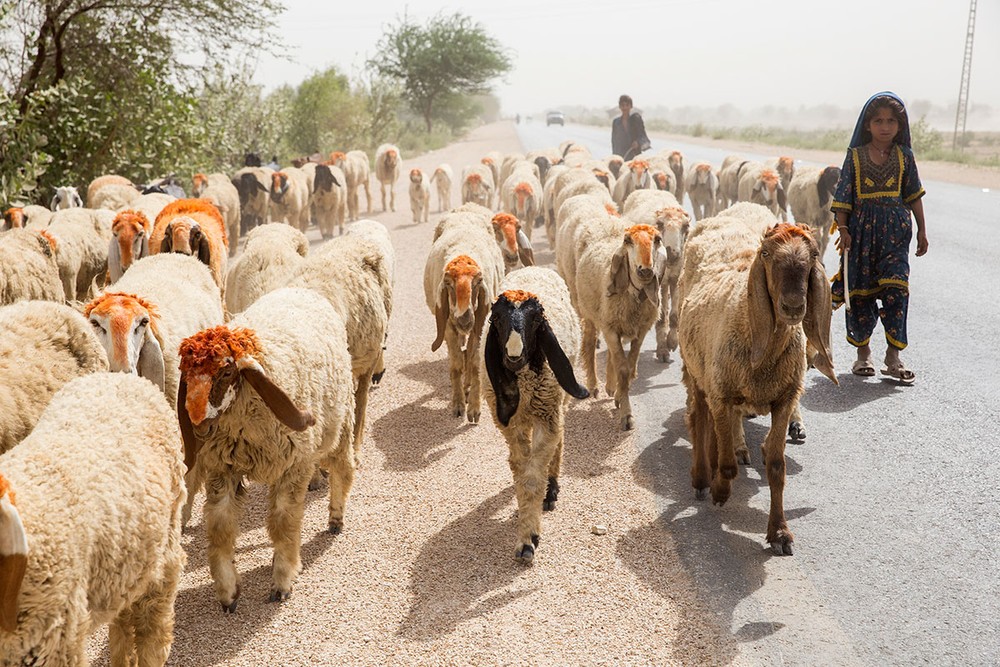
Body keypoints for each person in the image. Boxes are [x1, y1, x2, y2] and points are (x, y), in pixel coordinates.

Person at [831, 91, 928, 384]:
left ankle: (893, 356)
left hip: (896, 235)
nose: (885, 127)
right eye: (878, 121)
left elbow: (913, 195)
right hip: (860, 236)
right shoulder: (855, 156)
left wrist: (922, 229)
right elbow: (844, 197)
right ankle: (863, 356)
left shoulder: (905, 157)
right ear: (868, 125)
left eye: (891, 121)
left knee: (896, 290)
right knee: (860, 294)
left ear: (900, 126)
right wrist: (844, 230)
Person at [611, 94, 650, 160]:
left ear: (631, 106)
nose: (625, 108)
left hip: (634, 156)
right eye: (623, 105)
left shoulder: (636, 120)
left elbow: (643, 137)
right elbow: (614, 142)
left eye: (627, 105)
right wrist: (615, 157)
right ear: (620, 107)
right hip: (621, 157)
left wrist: (638, 142)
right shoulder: (616, 122)